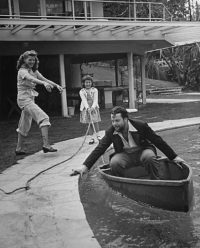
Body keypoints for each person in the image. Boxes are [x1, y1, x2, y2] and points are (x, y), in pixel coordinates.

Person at [76, 106, 185, 179]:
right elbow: (100, 148)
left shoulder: (141, 126)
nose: (114, 124)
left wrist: (174, 157)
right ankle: (125, 185)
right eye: (112, 121)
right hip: (124, 155)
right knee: (114, 163)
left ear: (126, 119)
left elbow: (157, 141)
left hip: (142, 151)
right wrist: (85, 166)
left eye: (117, 121)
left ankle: (156, 181)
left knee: (150, 157)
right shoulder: (111, 131)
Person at [15, 50, 63, 155]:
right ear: (24, 60)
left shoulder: (34, 71)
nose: (32, 61)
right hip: (24, 100)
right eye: (29, 59)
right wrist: (43, 84)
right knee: (44, 118)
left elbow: (44, 79)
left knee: (24, 124)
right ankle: (46, 145)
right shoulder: (22, 71)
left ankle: (19, 149)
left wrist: (56, 85)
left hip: (30, 99)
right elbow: (31, 78)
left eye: (33, 60)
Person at [79, 74, 101, 145]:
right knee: (89, 123)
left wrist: (92, 107)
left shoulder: (95, 90)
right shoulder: (81, 91)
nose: (88, 84)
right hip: (86, 108)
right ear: (83, 83)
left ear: (91, 82)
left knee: (95, 121)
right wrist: (88, 108)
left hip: (94, 107)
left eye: (89, 82)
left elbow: (95, 100)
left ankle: (98, 136)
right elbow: (84, 100)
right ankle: (91, 138)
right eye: (86, 82)